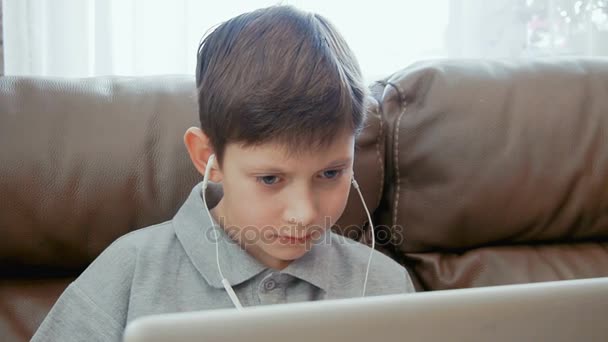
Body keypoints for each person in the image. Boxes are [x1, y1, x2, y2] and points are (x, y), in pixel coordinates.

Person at [32, 5, 415, 341]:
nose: (304, 213)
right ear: (207, 158)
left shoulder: (383, 284)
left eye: (330, 173)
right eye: (270, 179)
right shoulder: (129, 272)